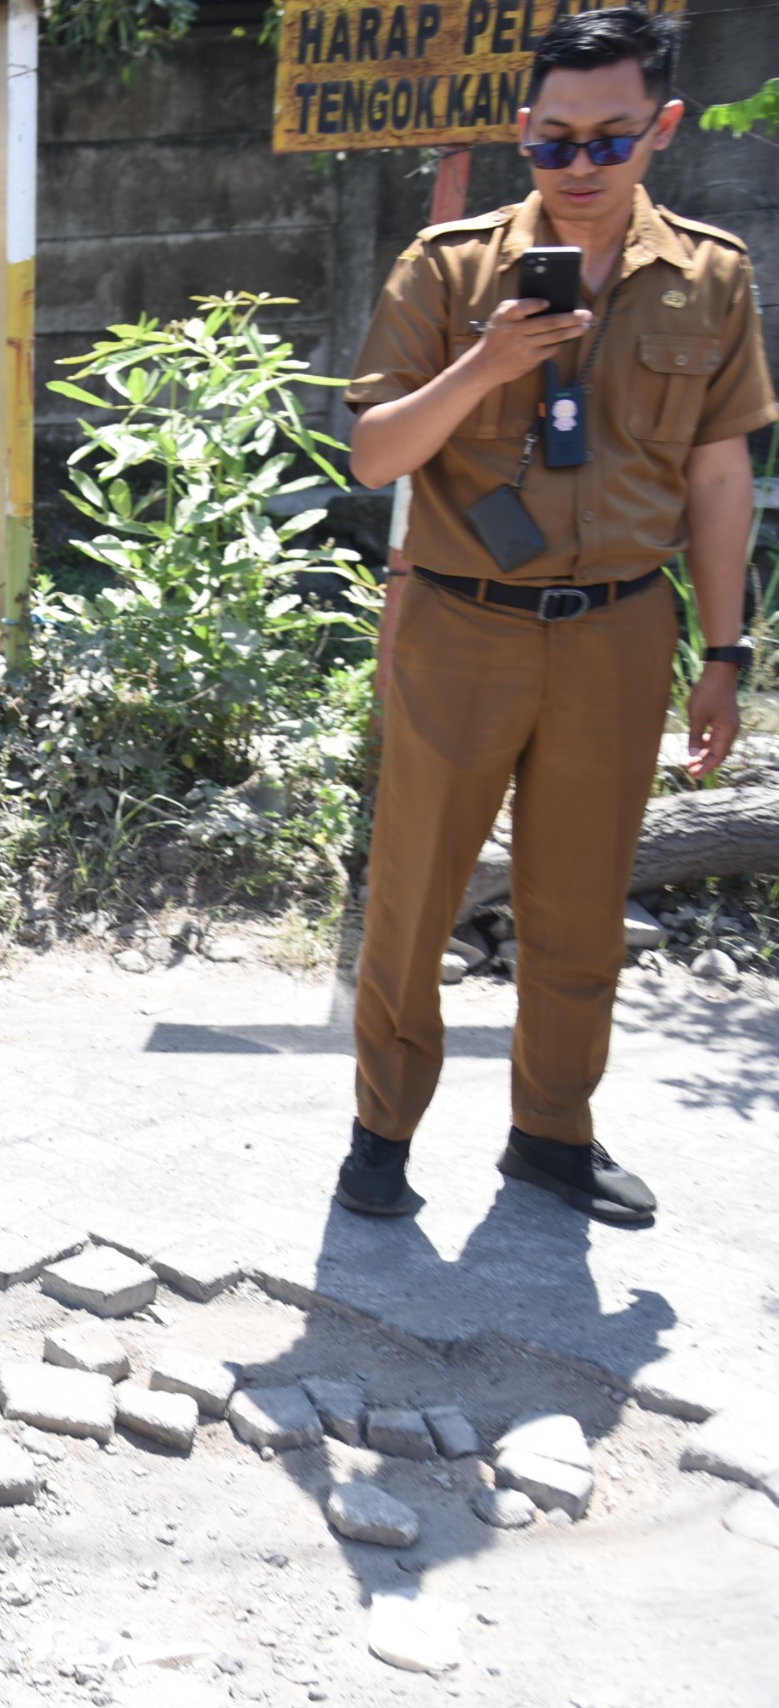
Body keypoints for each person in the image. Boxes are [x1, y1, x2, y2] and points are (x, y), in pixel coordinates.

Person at [336, 4, 771, 1227]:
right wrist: (484, 364)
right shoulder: (447, 267)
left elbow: (720, 475)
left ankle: (551, 1132)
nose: (578, 169)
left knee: (578, 901)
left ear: (662, 129)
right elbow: (375, 456)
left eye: (609, 141)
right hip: (460, 626)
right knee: (414, 891)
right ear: (522, 132)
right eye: (553, 143)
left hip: (619, 630)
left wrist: (723, 651)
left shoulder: (710, 275)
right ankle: (381, 1131)